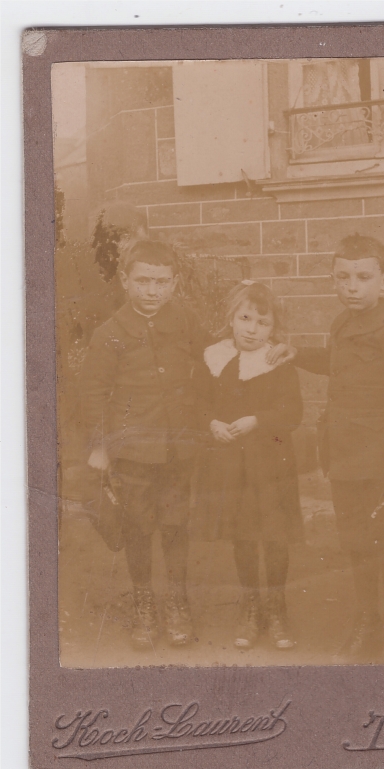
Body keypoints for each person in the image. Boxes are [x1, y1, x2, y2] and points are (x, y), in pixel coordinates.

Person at [267, 234, 384, 661]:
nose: (352, 287)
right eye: (342, 277)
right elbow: (338, 364)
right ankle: (367, 619)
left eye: (363, 277)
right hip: (344, 456)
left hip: (382, 459)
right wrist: (297, 353)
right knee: (356, 542)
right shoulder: (342, 324)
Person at [80, 238, 209, 650]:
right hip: (133, 450)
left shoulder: (185, 321)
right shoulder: (110, 334)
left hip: (177, 446)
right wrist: (99, 446)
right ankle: (143, 601)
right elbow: (93, 392)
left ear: (174, 284)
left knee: (174, 525)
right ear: (125, 281)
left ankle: (177, 601)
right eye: (143, 281)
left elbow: (211, 357)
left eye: (161, 282)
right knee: (137, 527)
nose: (152, 291)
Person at [192, 282, 304, 650]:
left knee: (273, 536)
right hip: (231, 465)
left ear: (274, 329)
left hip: (270, 463)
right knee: (242, 534)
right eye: (245, 319)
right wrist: (212, 424)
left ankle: (276, 604)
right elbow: (199, 404)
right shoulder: (214, 358)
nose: (252, 329)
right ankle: (251, 602)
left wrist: (258, 419)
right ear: (231, 319)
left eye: (262, 322)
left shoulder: (277, 361)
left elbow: (293, 412)